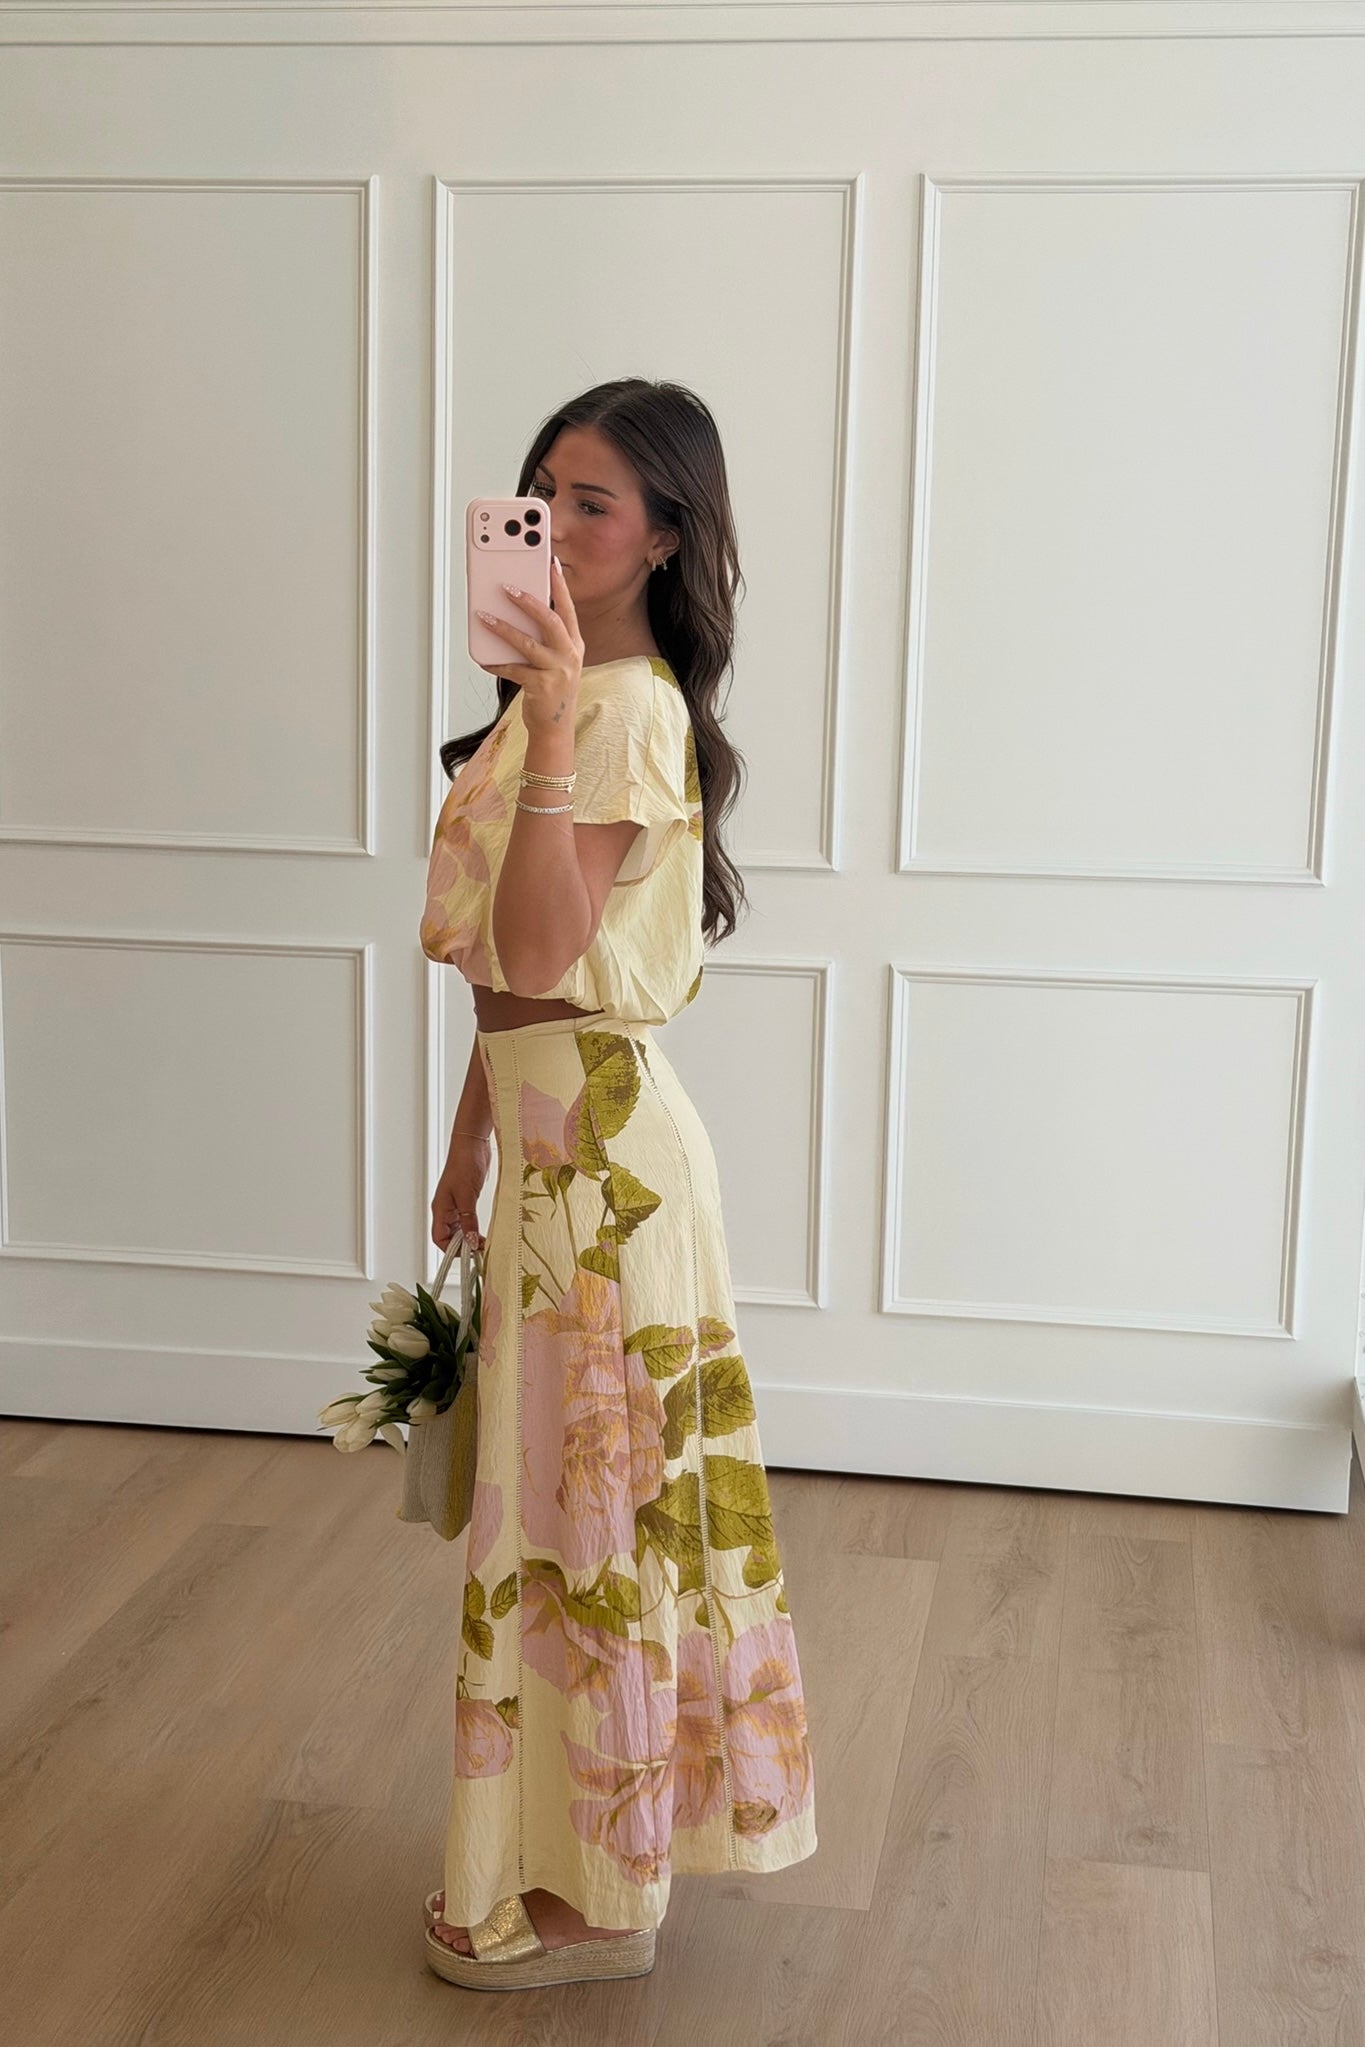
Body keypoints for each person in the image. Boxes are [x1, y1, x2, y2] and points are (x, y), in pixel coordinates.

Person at [417, 379, 818, 1992]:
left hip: (607, 1174)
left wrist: (565, 715)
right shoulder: (545, 704)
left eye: (594, 503)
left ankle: (607, 1898)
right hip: (548, 1145)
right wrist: (465, 1138)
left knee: (597, 1534)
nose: (561, 525)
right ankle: (566, 1859)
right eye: (543, 494)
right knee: (556, 1527)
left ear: (666, 533)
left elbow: (538, 951)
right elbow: (499, 987)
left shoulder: (622, 712)